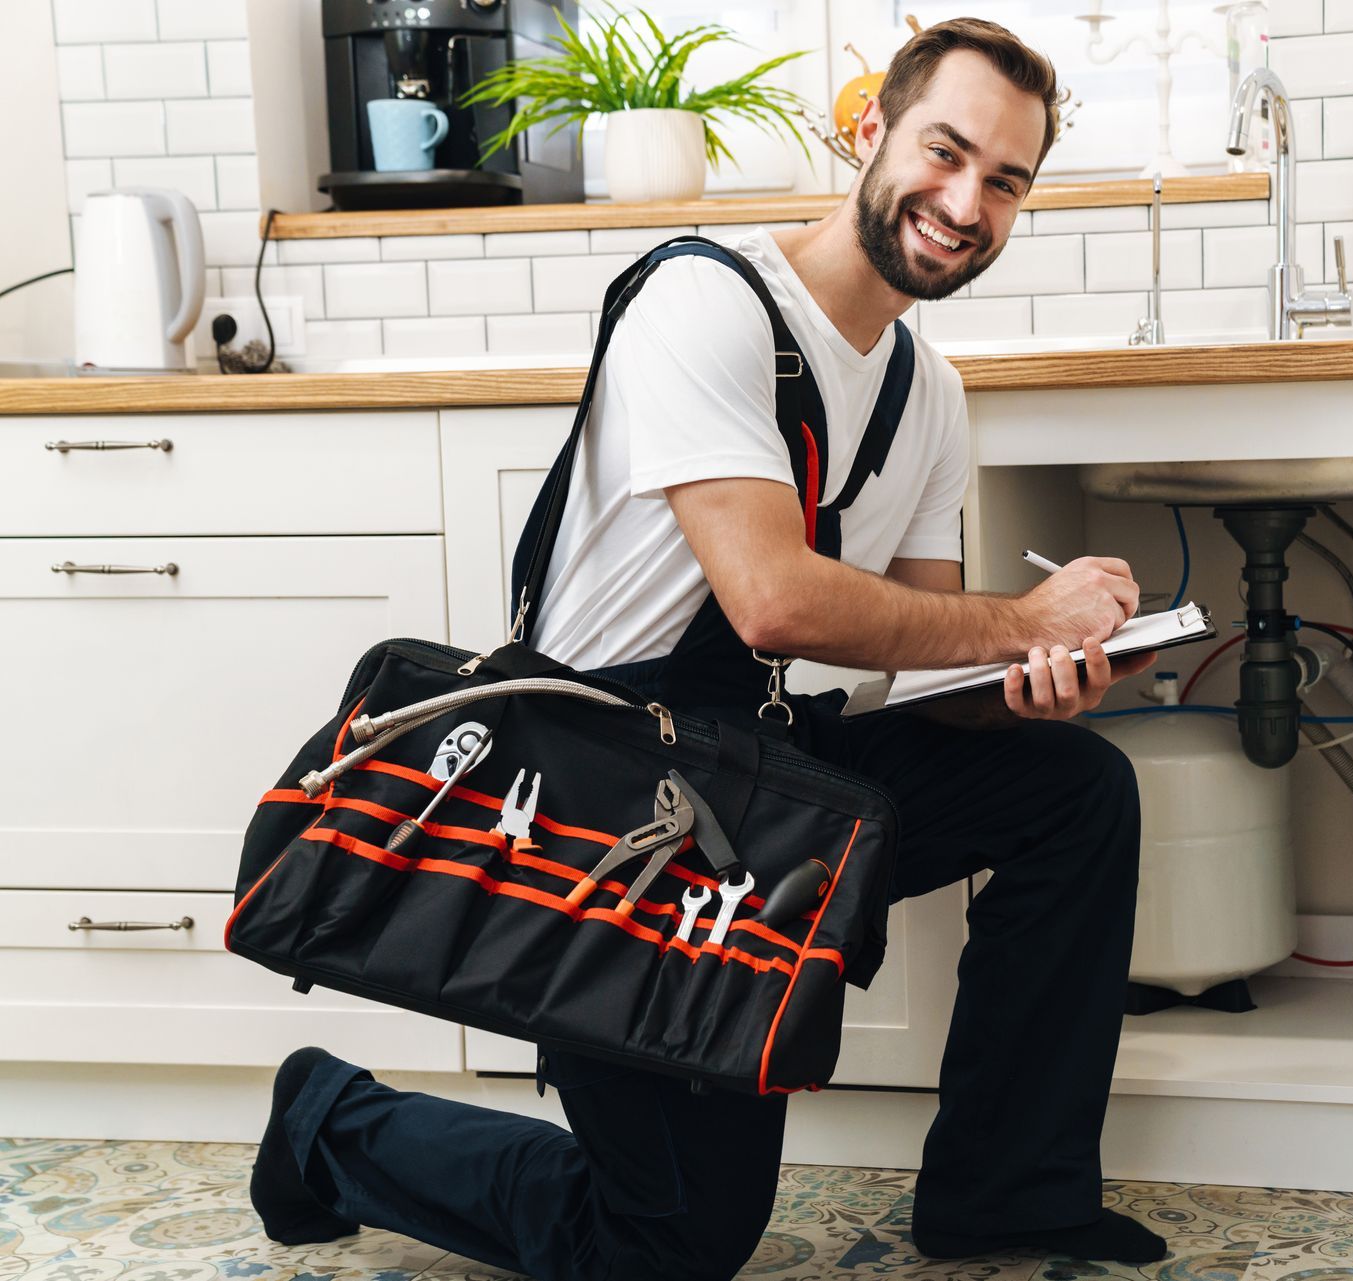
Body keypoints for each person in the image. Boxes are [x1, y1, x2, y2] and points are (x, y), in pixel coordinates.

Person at [248, 18, 1169, 1279]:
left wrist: (1038, 680)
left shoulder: (927, 392)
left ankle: (1006, 1192)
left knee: (1071, 790)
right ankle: (331, 1125)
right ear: (869, 133)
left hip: (759, 774)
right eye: (945, 153)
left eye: (1004, 180)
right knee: (671, 1242)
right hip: (606, 800)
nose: (965, 203)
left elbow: (933, 678)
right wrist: (1024, 618)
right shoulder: (704, 300)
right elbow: (773, 604)